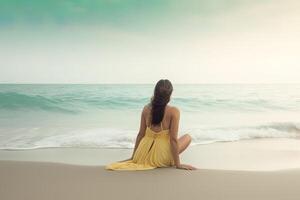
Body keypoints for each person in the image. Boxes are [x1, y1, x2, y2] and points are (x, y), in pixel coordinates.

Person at [105, 79, 197, 170]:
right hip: (160, 157)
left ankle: (137, 156)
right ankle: (171, 159)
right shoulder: (174, 111)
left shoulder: (146, 109)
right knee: (187, 137)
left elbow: (141, 134)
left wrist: (134, 157)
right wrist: (178, 164)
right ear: (170, 95)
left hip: (142, 153)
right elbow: (173, 139)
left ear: (155, 92)